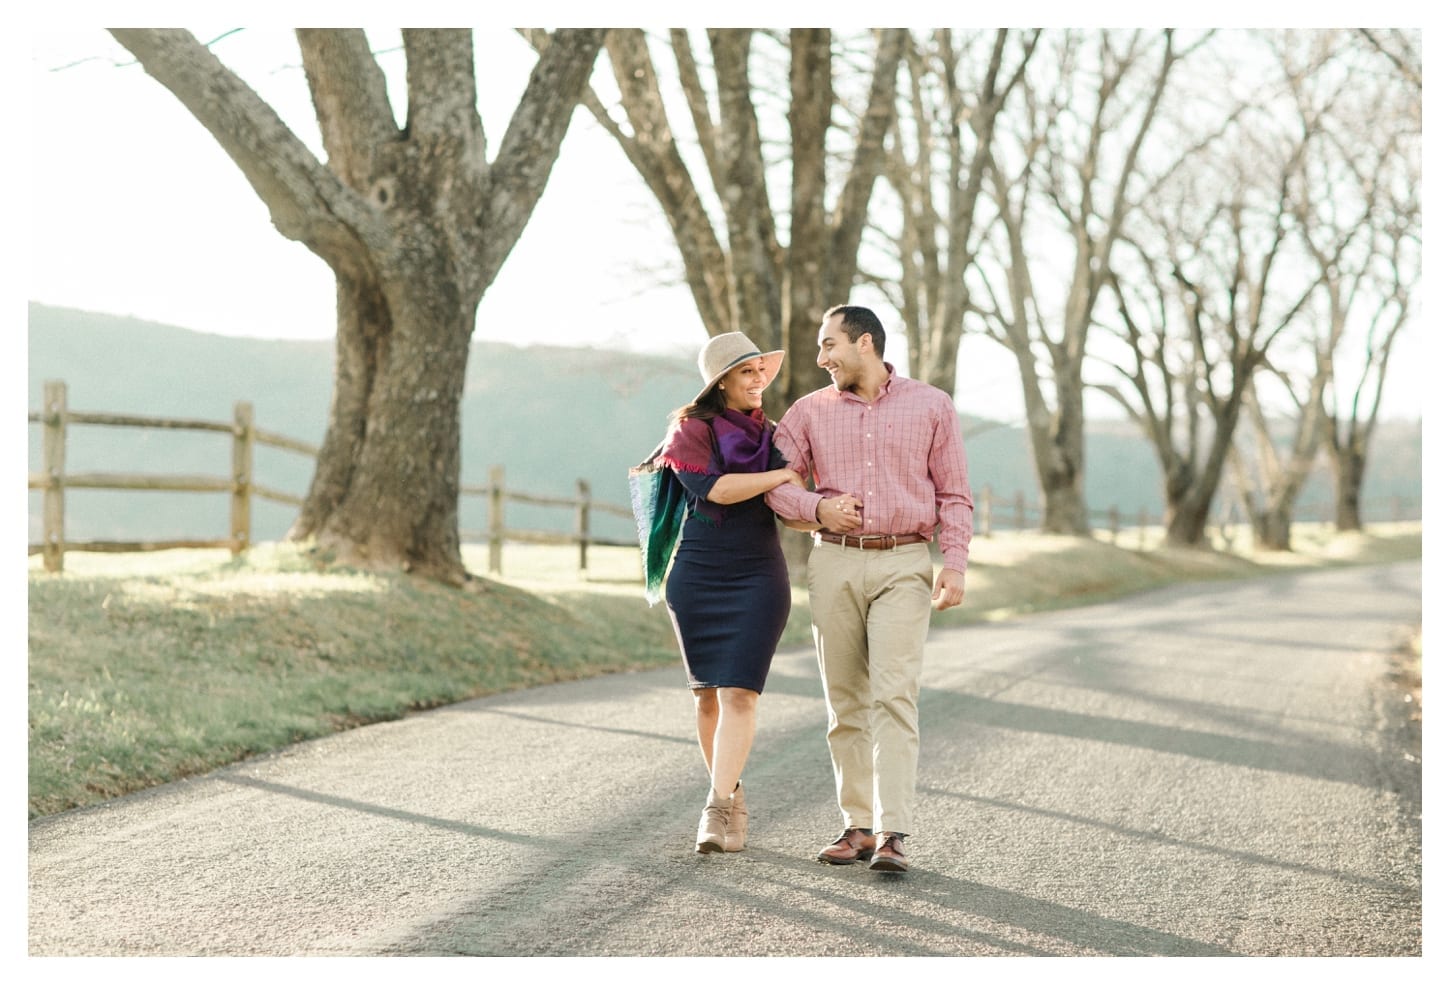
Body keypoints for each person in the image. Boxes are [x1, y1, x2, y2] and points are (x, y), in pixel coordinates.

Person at [765, 303, 972, 873]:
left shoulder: (932, 405)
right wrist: (819, 508)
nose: (820, 357)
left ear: (865, 344)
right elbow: (777, 486)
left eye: (829, 344)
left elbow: (954, 492)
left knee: (894, 695)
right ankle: (856, 828)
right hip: (833, 563)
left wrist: (954, 563)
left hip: (905, 561)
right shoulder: (807, 413)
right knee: (845, 701)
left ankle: (892, 834)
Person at [640, 332, 806, 854]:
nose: (758, 381)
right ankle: (732, 796)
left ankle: (713, 808)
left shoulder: (775, 434)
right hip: (699, 572)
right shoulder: (690, 430)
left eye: (761, 370)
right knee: (707, 698)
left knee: (739, 691)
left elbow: (793, 502)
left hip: (759, 574)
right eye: (746, 373)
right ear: (721, 382)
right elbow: (716, 490)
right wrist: (783, 474)